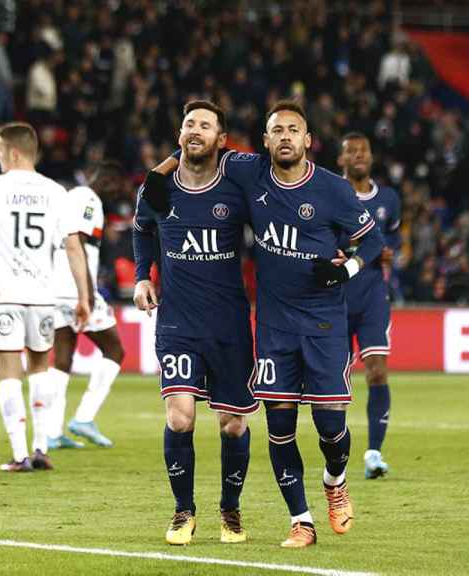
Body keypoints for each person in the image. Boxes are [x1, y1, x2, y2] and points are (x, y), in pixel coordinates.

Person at [144, 100, 384, 547]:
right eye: (278, 130)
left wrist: (346, 269)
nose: (287, 137)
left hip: (325, 324)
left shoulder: (332, 189)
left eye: (295, 130)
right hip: (274, 328)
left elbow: (374, 241)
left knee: (331, 428)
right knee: (278, 424)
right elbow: (195, 146)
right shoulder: (248, 172)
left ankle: (335, 481)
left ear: (308, 140)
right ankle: (301, 520)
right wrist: (156, 177)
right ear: (265, 141)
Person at [133, 100, 256, 545]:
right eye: (189, 123)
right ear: (179, 133)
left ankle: (231, 510)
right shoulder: (160, 189)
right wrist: (142, 277)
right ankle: (183, 511)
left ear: (221, 140)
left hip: (229, 325)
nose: (196, 130)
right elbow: (141, 228)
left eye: (206, 125)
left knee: (233, 424)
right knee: (180, 417)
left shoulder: (235, 187)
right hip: (178, 323)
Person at [0, 122, 92, 473]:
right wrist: (83, 296)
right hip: (43, 298)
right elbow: (73, 247)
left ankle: (20, 454)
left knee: (10, 374)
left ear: (14, 152)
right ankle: (41, 449)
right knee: (40, 370)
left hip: (3, 296)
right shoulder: (56, 192)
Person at [46, 161, 127, 450]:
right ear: (101, 179)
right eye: (112, 183)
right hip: (74, 288)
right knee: (115, 350)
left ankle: (52, 432)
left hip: (56, 288)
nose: (114, 190)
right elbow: (75, 241)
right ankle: (84, 417)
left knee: (63, 358)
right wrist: (87, 293)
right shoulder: (87, 198)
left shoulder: (69, 198)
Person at [336, 132, 400, 479]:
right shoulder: (333, 193)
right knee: (337, 380)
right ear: (341, 160)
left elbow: (394, 236)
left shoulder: (389, 198)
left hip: (373, 297)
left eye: (364, 150)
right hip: (337, 298)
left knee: (376, 369)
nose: (359, 155)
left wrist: (390, 251)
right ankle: (337, 448)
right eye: (351, 151)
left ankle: (374, 453)